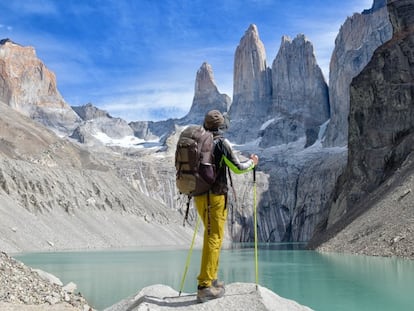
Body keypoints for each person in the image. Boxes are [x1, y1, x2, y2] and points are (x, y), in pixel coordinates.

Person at [195, 110, 259, 303]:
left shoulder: (198, 142)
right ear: (222, 126)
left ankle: (211, 279)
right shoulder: (222, 143)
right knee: (215, 237)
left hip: (198, 195)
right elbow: (238, 168)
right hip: (215, 196)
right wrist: (253, 162)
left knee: (210, 235)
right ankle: (205, 285)